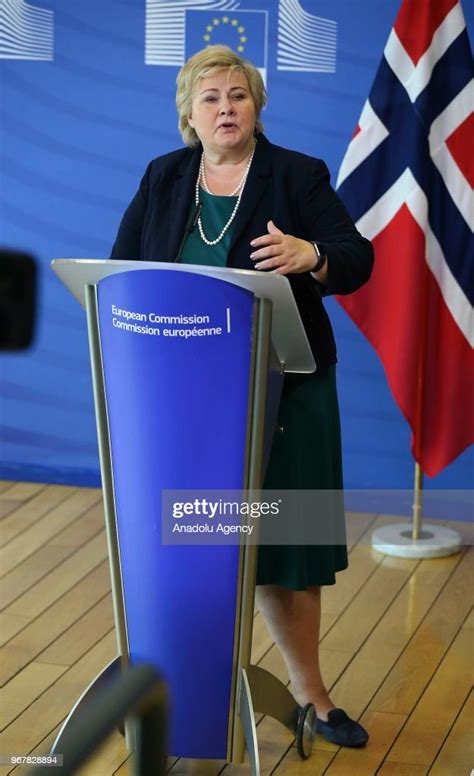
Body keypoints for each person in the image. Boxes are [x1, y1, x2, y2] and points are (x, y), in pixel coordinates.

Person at [110, 45, 374, 748]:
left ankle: (312, 697)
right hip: (183, 400)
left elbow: (357, 257)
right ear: (189, 116)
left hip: (287, 395)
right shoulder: (163, 178)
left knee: (287, 550)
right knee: (198, 541)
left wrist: (311, 256)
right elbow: (122, 272)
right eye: (211, 98)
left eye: (238, 95)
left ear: (256, 106)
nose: (226, 108)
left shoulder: (297, 176)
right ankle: (186, 693)